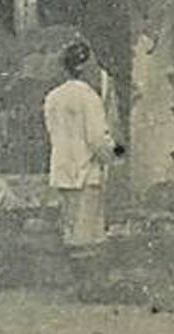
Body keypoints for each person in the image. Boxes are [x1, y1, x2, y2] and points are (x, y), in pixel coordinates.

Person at [43, 41, 120, 258]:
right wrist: (117, 153)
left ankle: (77, 285)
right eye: (93, 64)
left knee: (71, 233)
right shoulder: (89, 97)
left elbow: (53, 135)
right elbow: (97, 140)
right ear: (82, 66)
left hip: (63, 173)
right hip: (85, 175)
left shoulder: (53, 97)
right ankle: (88, 288)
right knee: (88, 238)